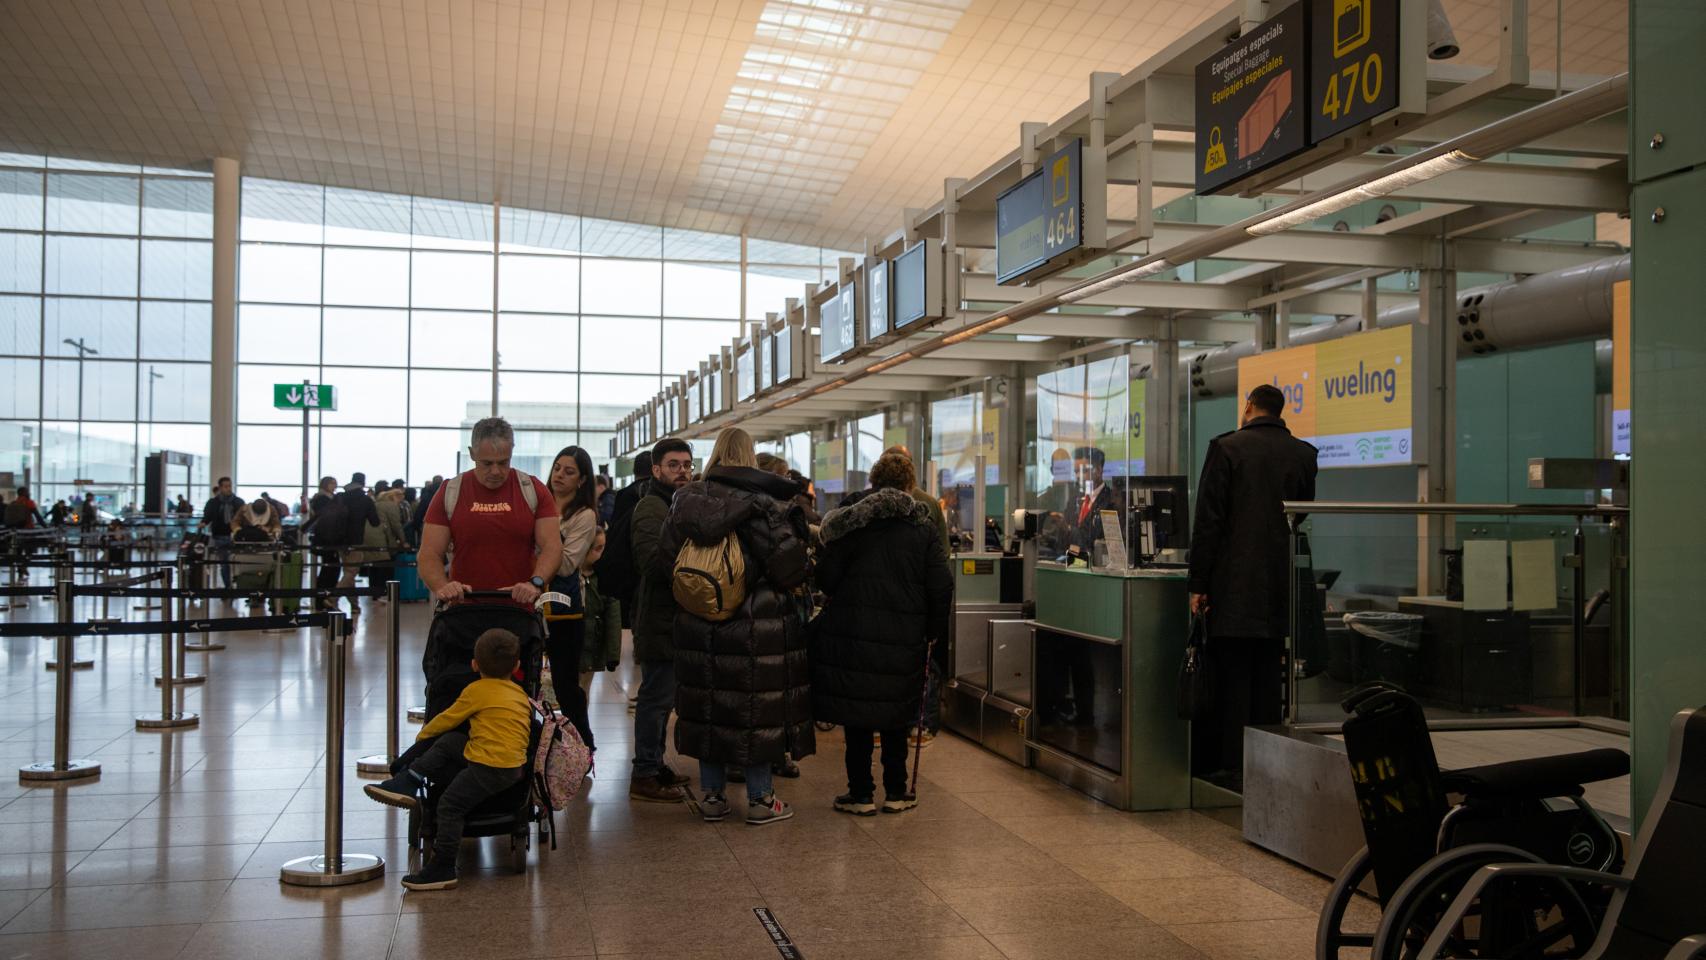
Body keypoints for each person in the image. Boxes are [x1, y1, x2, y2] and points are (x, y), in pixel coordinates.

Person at [663, 427, 813, 825]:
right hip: (754, 624)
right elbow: (788, 569)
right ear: (749, 457)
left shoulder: (685, 501)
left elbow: (664, 562)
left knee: (709, 706)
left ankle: (712, 796)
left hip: (696, 623)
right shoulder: (765, 505)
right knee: (753, 710)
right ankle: (761, 800)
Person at [1188, 383, 1318, 792]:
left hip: (1232, 584)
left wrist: (1198, 583)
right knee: (1268, 675)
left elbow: (1208, 522)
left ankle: (1232, 764)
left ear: (1248, 407)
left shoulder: (1226, 449)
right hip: (1280, 586)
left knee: (1231, 676)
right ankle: (1269, 762)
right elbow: (1301, 520)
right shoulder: (1304, 454)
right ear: (1281, 411)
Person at [810, 451, 953, 815]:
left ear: (873, 483)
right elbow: (941, 586)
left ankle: (859, 794)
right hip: (905, 635)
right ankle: (896, 791)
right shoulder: (922, 529)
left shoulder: (849, 525)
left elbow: (825, 577)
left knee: (857, 715)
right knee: (897, 713)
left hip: (852, 632)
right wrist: (934, 632)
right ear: (910, 486)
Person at [365, 628, 530, 891]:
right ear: (518, 665)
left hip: (488, 766)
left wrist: (422, 737)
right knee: (451, 743)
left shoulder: (476, 689)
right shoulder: (519, 693)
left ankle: (442, 867)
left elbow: (447, 719)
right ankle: (409, 780)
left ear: (474, 664)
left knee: (449, 806)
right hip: (512, 765)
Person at [417, 418, 556, 612]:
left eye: (503, 462)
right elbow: (429, 553)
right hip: (463, 610)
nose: (496, 471)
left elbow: (552, 546)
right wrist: (443, 586)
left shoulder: (533, 490)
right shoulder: (450, 491)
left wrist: (535, 583)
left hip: (520, 612)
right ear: (472, 454)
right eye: (487, 463)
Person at [627, 439, 693, 803]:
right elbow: (651, 562)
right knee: (656, 698)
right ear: (656, 470)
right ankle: (645, 773)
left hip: (672, 617)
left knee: (662, 697)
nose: (682, 471)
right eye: (673, 465)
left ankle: (654, 764)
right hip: (659, 617)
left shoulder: (675, 502)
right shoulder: (652, 507)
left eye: (686, 464)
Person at [545, 445, 598, 751]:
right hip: (530, 605)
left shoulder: (584, 515)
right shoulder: (538, 505)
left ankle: (582, 746)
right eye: (557, 468)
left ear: (582, 480)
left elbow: (566, 564)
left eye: (569, 471)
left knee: (565, 685)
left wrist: (540, 545)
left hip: (565, 610)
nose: (560, 476)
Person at [578, 528, 621, 692]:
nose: (602, 553)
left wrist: (613, 655)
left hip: (593, 646)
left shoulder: (606, 577)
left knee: (584, 689)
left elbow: (613, 618)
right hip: (572, 643)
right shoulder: (568, 576)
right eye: (598, 548)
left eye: (604, 548)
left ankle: (583, 717)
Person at [333, 473, 381, 616]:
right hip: (356, 541)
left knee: (349, 573)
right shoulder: (365, 500)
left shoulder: (340, 497)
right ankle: (332, 597)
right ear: (363, 483)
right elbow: (375, 522)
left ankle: (354, 605)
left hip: (340, 542)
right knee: (350, 573)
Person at [200, 477, 245, 588]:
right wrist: (203, 523)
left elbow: (245, 518)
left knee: (238, 562)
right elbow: (208, 516)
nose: (228, 488)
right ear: (220, 488)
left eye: (229, 486)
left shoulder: (238, 502)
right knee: (224, 564)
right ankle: (228, 586)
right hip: (219, 536)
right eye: (225, 486)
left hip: (236, 537)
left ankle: (238, 585)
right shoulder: (213, 503)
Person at [307, 476, 342, 600]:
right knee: (330, 567)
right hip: (326, 537)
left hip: (327, 536)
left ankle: (325, 594)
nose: (334, 486)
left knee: (330, 567)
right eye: (332, 483)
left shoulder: (327, 498)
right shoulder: (322, 499)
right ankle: (323, 595)